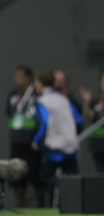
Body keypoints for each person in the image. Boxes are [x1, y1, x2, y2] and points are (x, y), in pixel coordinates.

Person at [33, 70, 83, 206]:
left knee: (44, 176)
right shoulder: (64, 99)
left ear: (39, 83)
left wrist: (36, 140)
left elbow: (45, 122)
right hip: (70, 145)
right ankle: (75, 203)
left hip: (55, 147)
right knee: (74, 179)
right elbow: (78, 120)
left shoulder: (42, 101)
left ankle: (63, 186)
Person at [5, 65, 42, 207]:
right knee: (16, 177)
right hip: (16, 143)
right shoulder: (12, 95)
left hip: (31, 143)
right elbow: (9, 113)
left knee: (34, 175)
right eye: (16, 76)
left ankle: (40, 205)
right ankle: (19, 204)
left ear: (28, 78)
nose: (16, 80)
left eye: (20, 77)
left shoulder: (36, 95)